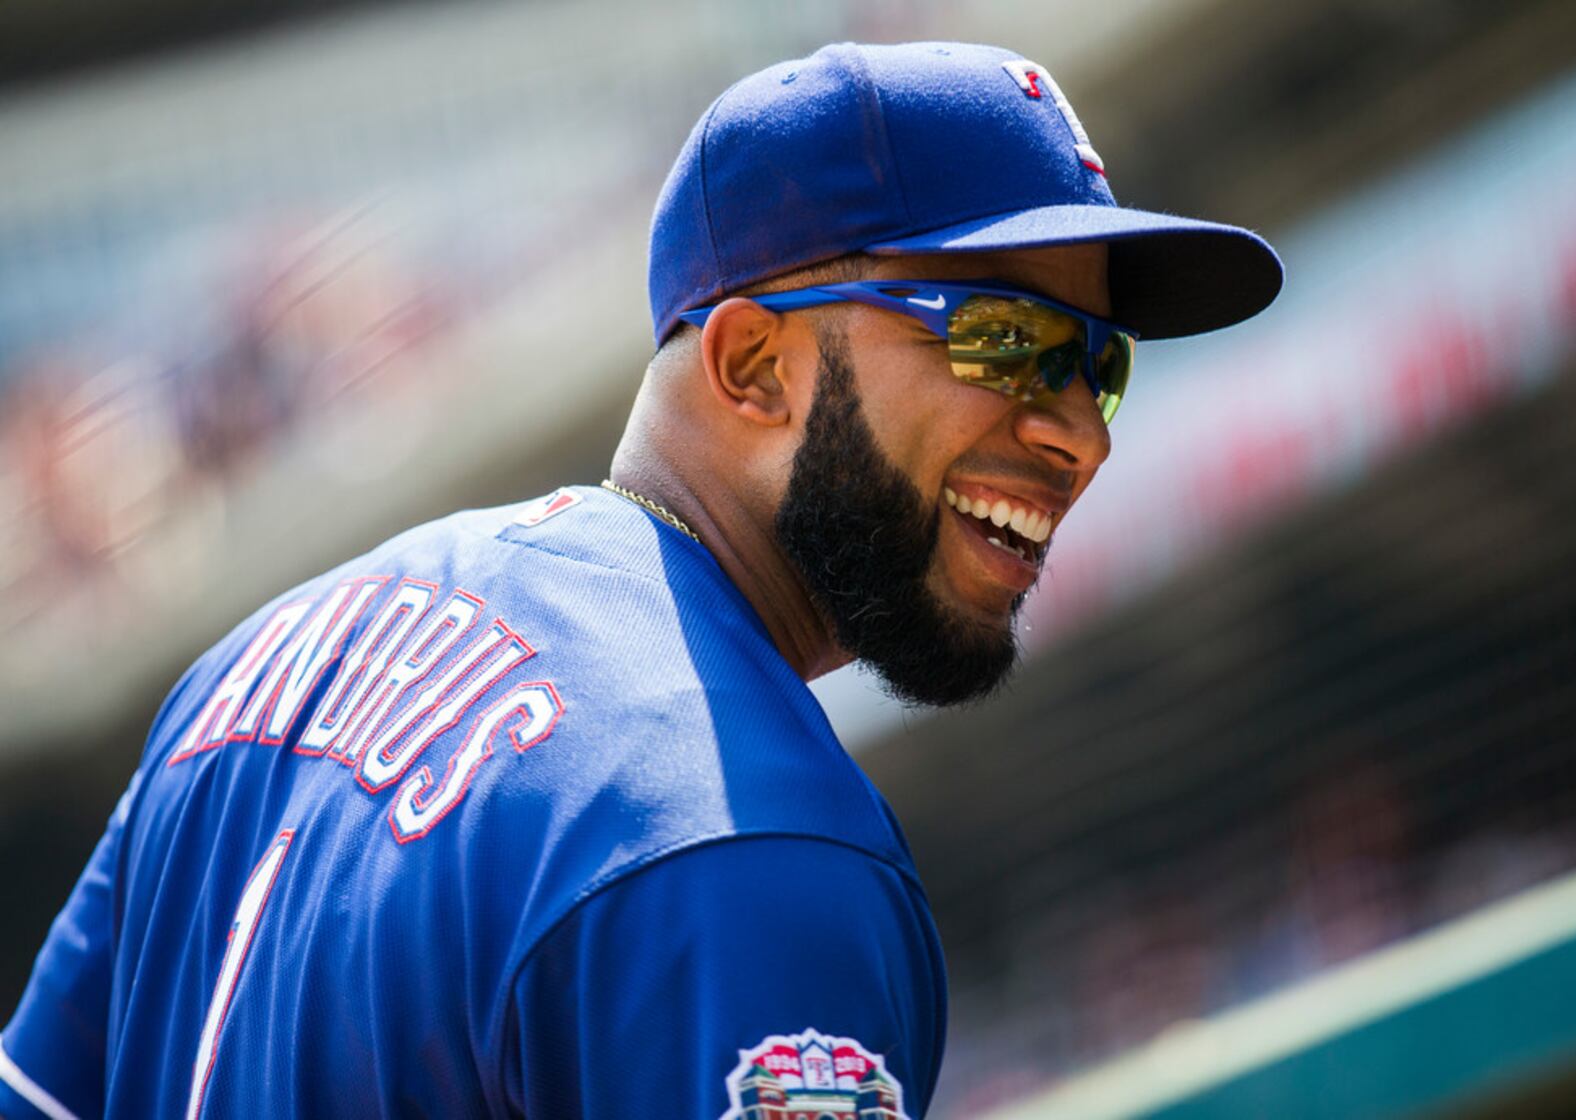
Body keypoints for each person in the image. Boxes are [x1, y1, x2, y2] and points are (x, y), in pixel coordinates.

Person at [0, 41, 1279, 1119]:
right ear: (750, 367)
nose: (1083, 432)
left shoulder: (265, 661)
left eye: (1095, 365)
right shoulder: (744, 844)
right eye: (1005, 341)